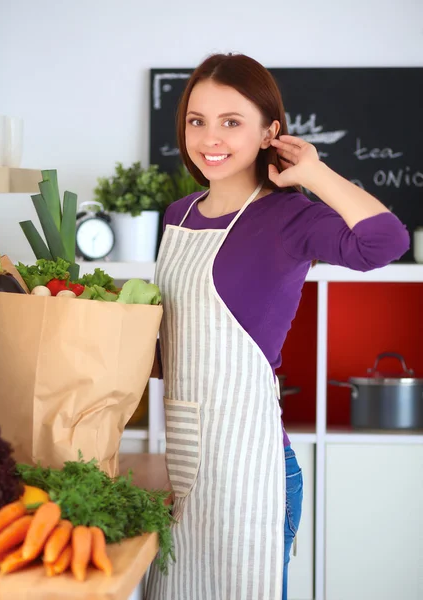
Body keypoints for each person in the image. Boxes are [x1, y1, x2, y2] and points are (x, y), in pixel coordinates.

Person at [145, 53, 409, 600]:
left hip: (253, 471)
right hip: (185, 466)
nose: (210, 137)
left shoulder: (289, 218)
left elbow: (385, 243)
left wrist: (311, 171)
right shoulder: (178, 216)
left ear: (271, 131)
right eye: (198, 120)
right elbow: (176, 348)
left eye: (232, 121)